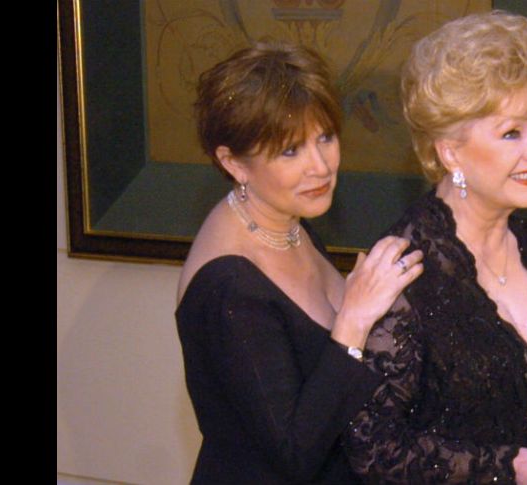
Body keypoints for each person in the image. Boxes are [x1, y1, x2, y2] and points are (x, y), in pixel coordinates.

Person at [344, 11, 527, 485]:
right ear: (450, 151)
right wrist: (510, 465)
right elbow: (372, 449)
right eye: (512, 132)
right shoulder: (406, 268)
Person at [175, 41, 423, 484]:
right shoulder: (229, 286)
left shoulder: (287, 221)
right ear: (233, 162)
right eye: (290, 150)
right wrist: (354, 320)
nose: (320, 166)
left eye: (325, 137)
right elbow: (293, 454)